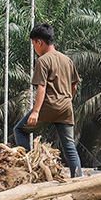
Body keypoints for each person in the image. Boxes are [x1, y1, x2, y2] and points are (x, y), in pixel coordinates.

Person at [14, 23, 82, 177]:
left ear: (39, 42)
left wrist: (36, 112)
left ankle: (28, 168)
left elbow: (42, 87)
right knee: (70, 146)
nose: (34, 49)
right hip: (66, 107)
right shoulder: (67, 60)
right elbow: (74, 86)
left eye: (33, 45)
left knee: (19, 130)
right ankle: (78, 178)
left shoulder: (43, 61)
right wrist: (67, 100)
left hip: (49, 106)